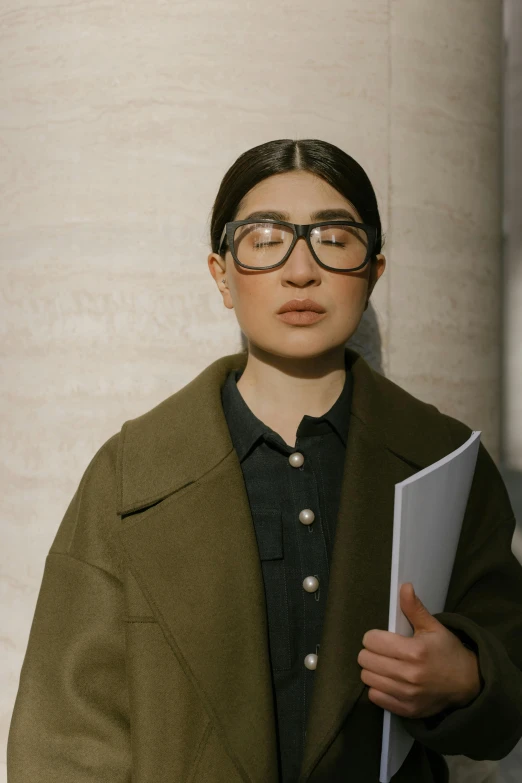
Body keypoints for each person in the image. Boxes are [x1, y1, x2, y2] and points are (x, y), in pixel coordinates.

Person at [7, 138, 522, 783]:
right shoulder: (131, 473)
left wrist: (469, 678)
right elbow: (64, 738)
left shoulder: (444, 461)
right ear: (221, 274)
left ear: (375, 271)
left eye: (333, 240)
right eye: (265, 238)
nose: (300, 270)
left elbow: (510, 685)